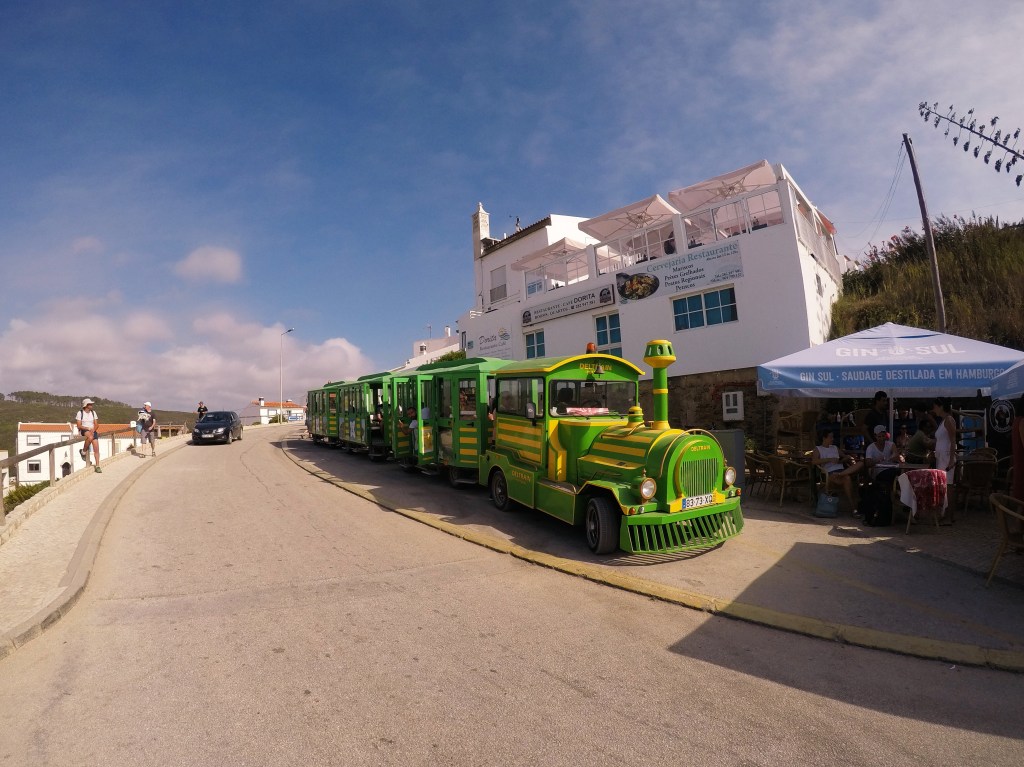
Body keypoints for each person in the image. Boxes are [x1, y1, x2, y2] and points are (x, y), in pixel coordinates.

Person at [811, 430, 861, 509]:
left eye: (832, 437)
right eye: (830, 437)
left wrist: (847, 458)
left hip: (841, 470)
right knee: (847, 478)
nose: (832, 439)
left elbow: (844, 457)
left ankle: (854, 508)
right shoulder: (818, 449)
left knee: (860, 463)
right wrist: (829, 459)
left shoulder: (835, 447)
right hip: (830, 473)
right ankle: (853, 507)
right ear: (824, 438)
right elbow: (814, 461)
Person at [932, 397, 958, 486]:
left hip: (946, 458)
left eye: (935, 407)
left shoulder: (949, 420)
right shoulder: (942, 421)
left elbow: (953, 440)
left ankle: (949, 500)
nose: (934, 409)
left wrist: (951, 460)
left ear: (941, 407)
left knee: (947, 484)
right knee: (942, 484)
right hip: (941, 457)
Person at [75, 398, 102, 473]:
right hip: (84, 429)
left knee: (96, 448)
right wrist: (87, 428)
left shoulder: (93, 412)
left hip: (92, 430)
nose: (91, 405)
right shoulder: (80, 413)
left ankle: (98, 466)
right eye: (90, 404)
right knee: (90, 437)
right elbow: (79, 425)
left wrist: (93, 430)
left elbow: (97, 424)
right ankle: (83, 452)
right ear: (86, 405)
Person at [1012, 395, 1024, 502]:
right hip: (1022, 462)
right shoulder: (1022, 422)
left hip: (1018, 461)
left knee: (1020, 502)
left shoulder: (1016, 421)